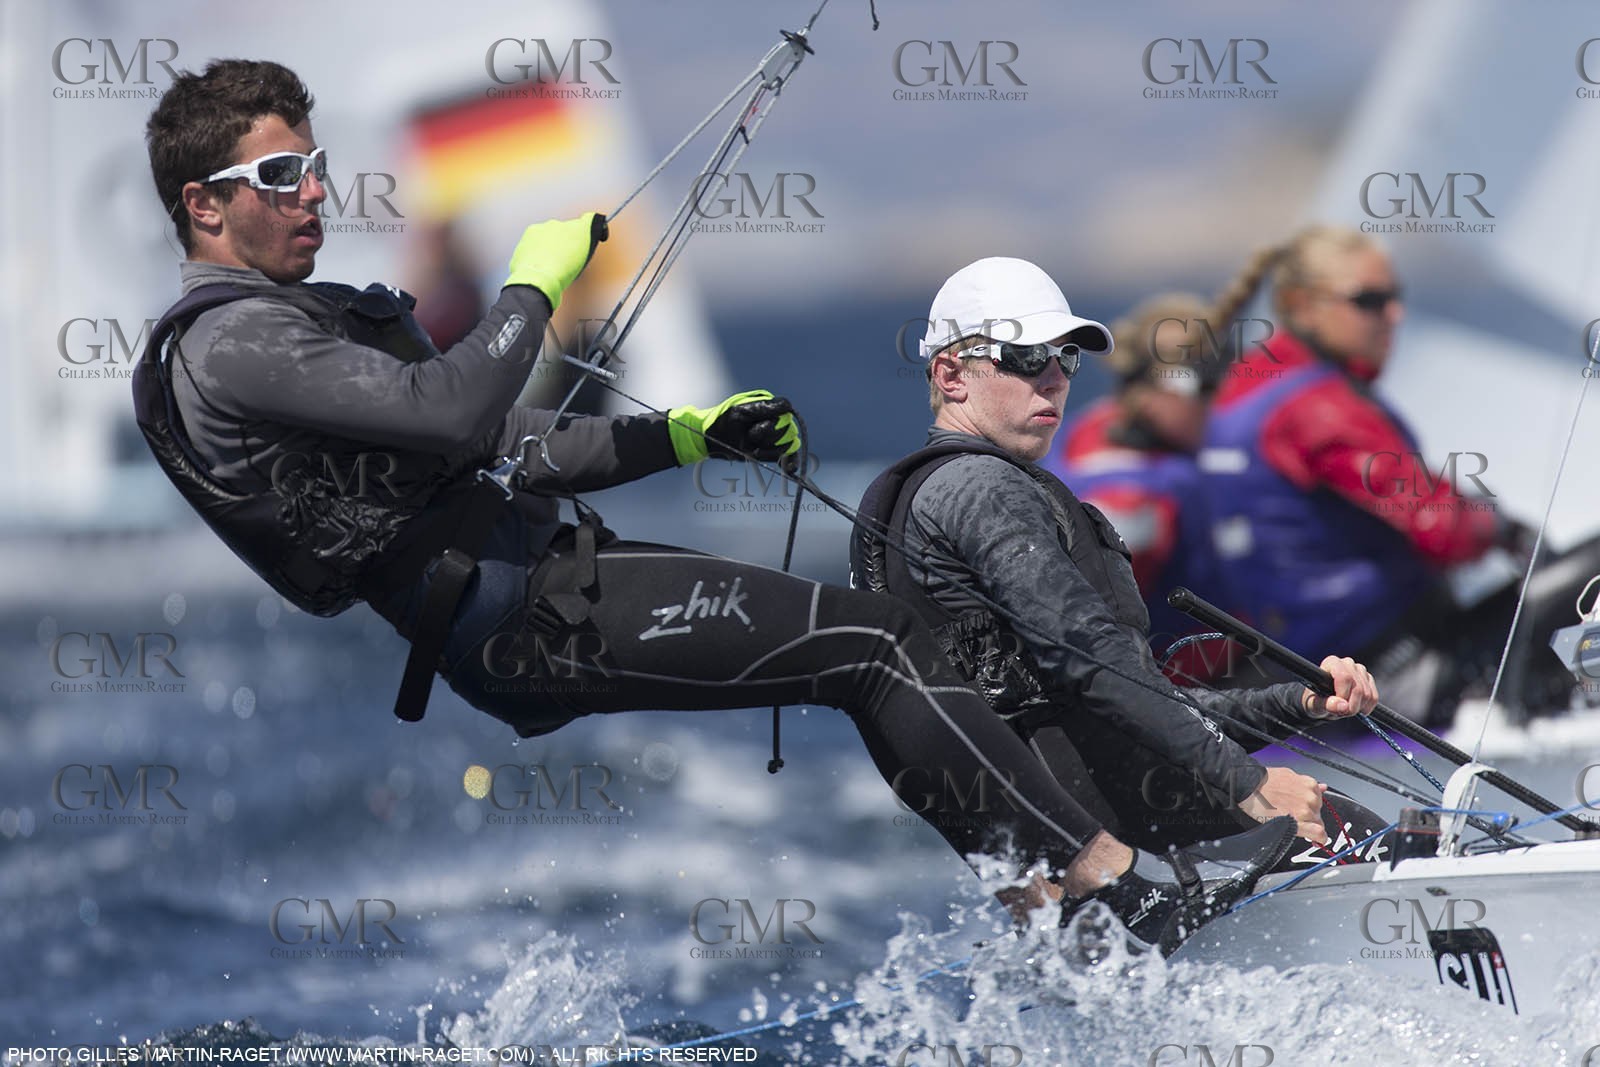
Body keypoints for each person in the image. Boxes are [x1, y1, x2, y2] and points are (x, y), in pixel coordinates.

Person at [137, 59, 1288, 958]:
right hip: (525, 615)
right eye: (279, 174)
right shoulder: (234, 342)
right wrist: (532, 286)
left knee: (872, 648)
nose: (315, 191)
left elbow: (503, 445)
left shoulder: (283, 327)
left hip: (538, 591)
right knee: (879, 643)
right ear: (203, 204)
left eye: (313, 164)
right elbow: (449, 412)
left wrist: (685, 435)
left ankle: (1056, 901)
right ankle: (1101, 886)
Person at [852, 257, 1389, 933]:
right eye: (1026, 357)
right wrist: (1249, 783)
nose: (1054, 377)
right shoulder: (983, 489)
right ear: (951, 375)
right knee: (1374, 839)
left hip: (1073, 850)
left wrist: (1297, 700)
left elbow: (1113, 697)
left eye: (1065, 359)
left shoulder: (921, 496)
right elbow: (1095, 662)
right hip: (1121, 834)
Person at [1199, 225, 1581, 725]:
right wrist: (1504, 529)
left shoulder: (1244, 390)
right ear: (1302, 305)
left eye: (1395, 297)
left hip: (1299, 669)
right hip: (1385, 676)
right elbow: (1441, 527)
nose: (1394, 314)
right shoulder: (1320, 408)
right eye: (1370, 300)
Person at [1044, 294, 1241, 686]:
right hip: (1180, 691)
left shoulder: (1085, 425)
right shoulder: (1142, 491)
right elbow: (1087, 606)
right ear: (1165, 389)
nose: (1218, 400)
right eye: (1207, 384)